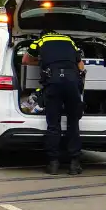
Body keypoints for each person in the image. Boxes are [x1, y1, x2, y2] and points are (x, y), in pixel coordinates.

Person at [22, 29, 85, 175]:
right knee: (73, 123)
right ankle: (74, 164)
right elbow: (81, 66)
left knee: (53, 124)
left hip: (53, 83)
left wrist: (41, 61)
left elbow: (25, 60)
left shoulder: (40, 41)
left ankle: (53, 164)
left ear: (43, 34)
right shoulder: (69, 41)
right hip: (72, 83)